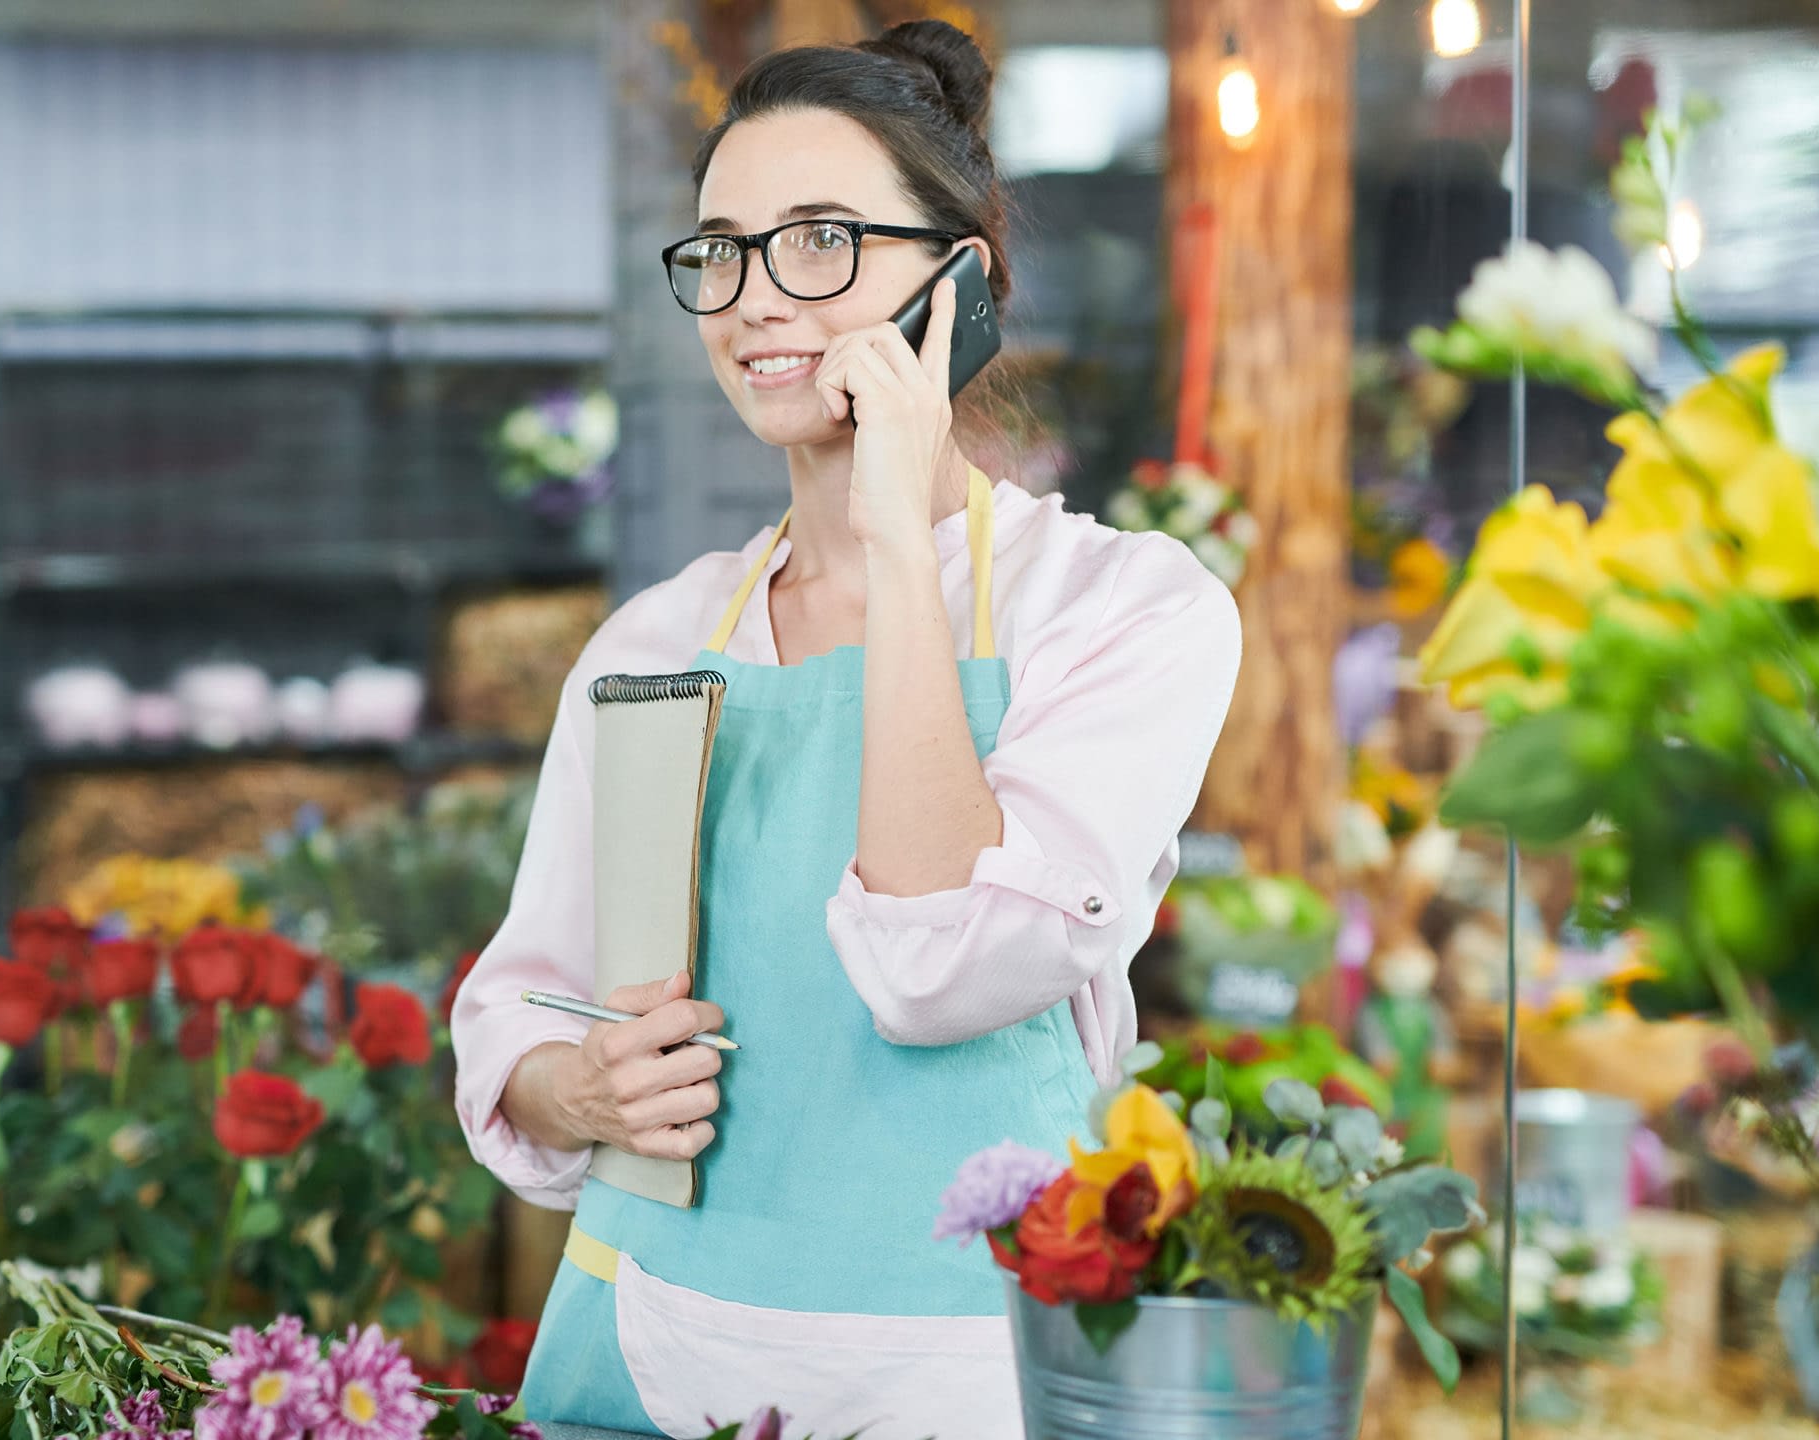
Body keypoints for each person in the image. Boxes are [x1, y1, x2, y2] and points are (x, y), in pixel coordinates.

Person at [450, 21, 1240, 1437]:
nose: (756, 297)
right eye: (723, 250)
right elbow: (523, 1006)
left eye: (821, 239)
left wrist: (891, 527)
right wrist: (578, 1086)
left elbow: (938, 967)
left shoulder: (1123, 610)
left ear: (965, 285)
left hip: (969, 1371)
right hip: (652, 1342)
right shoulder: (653, 642)